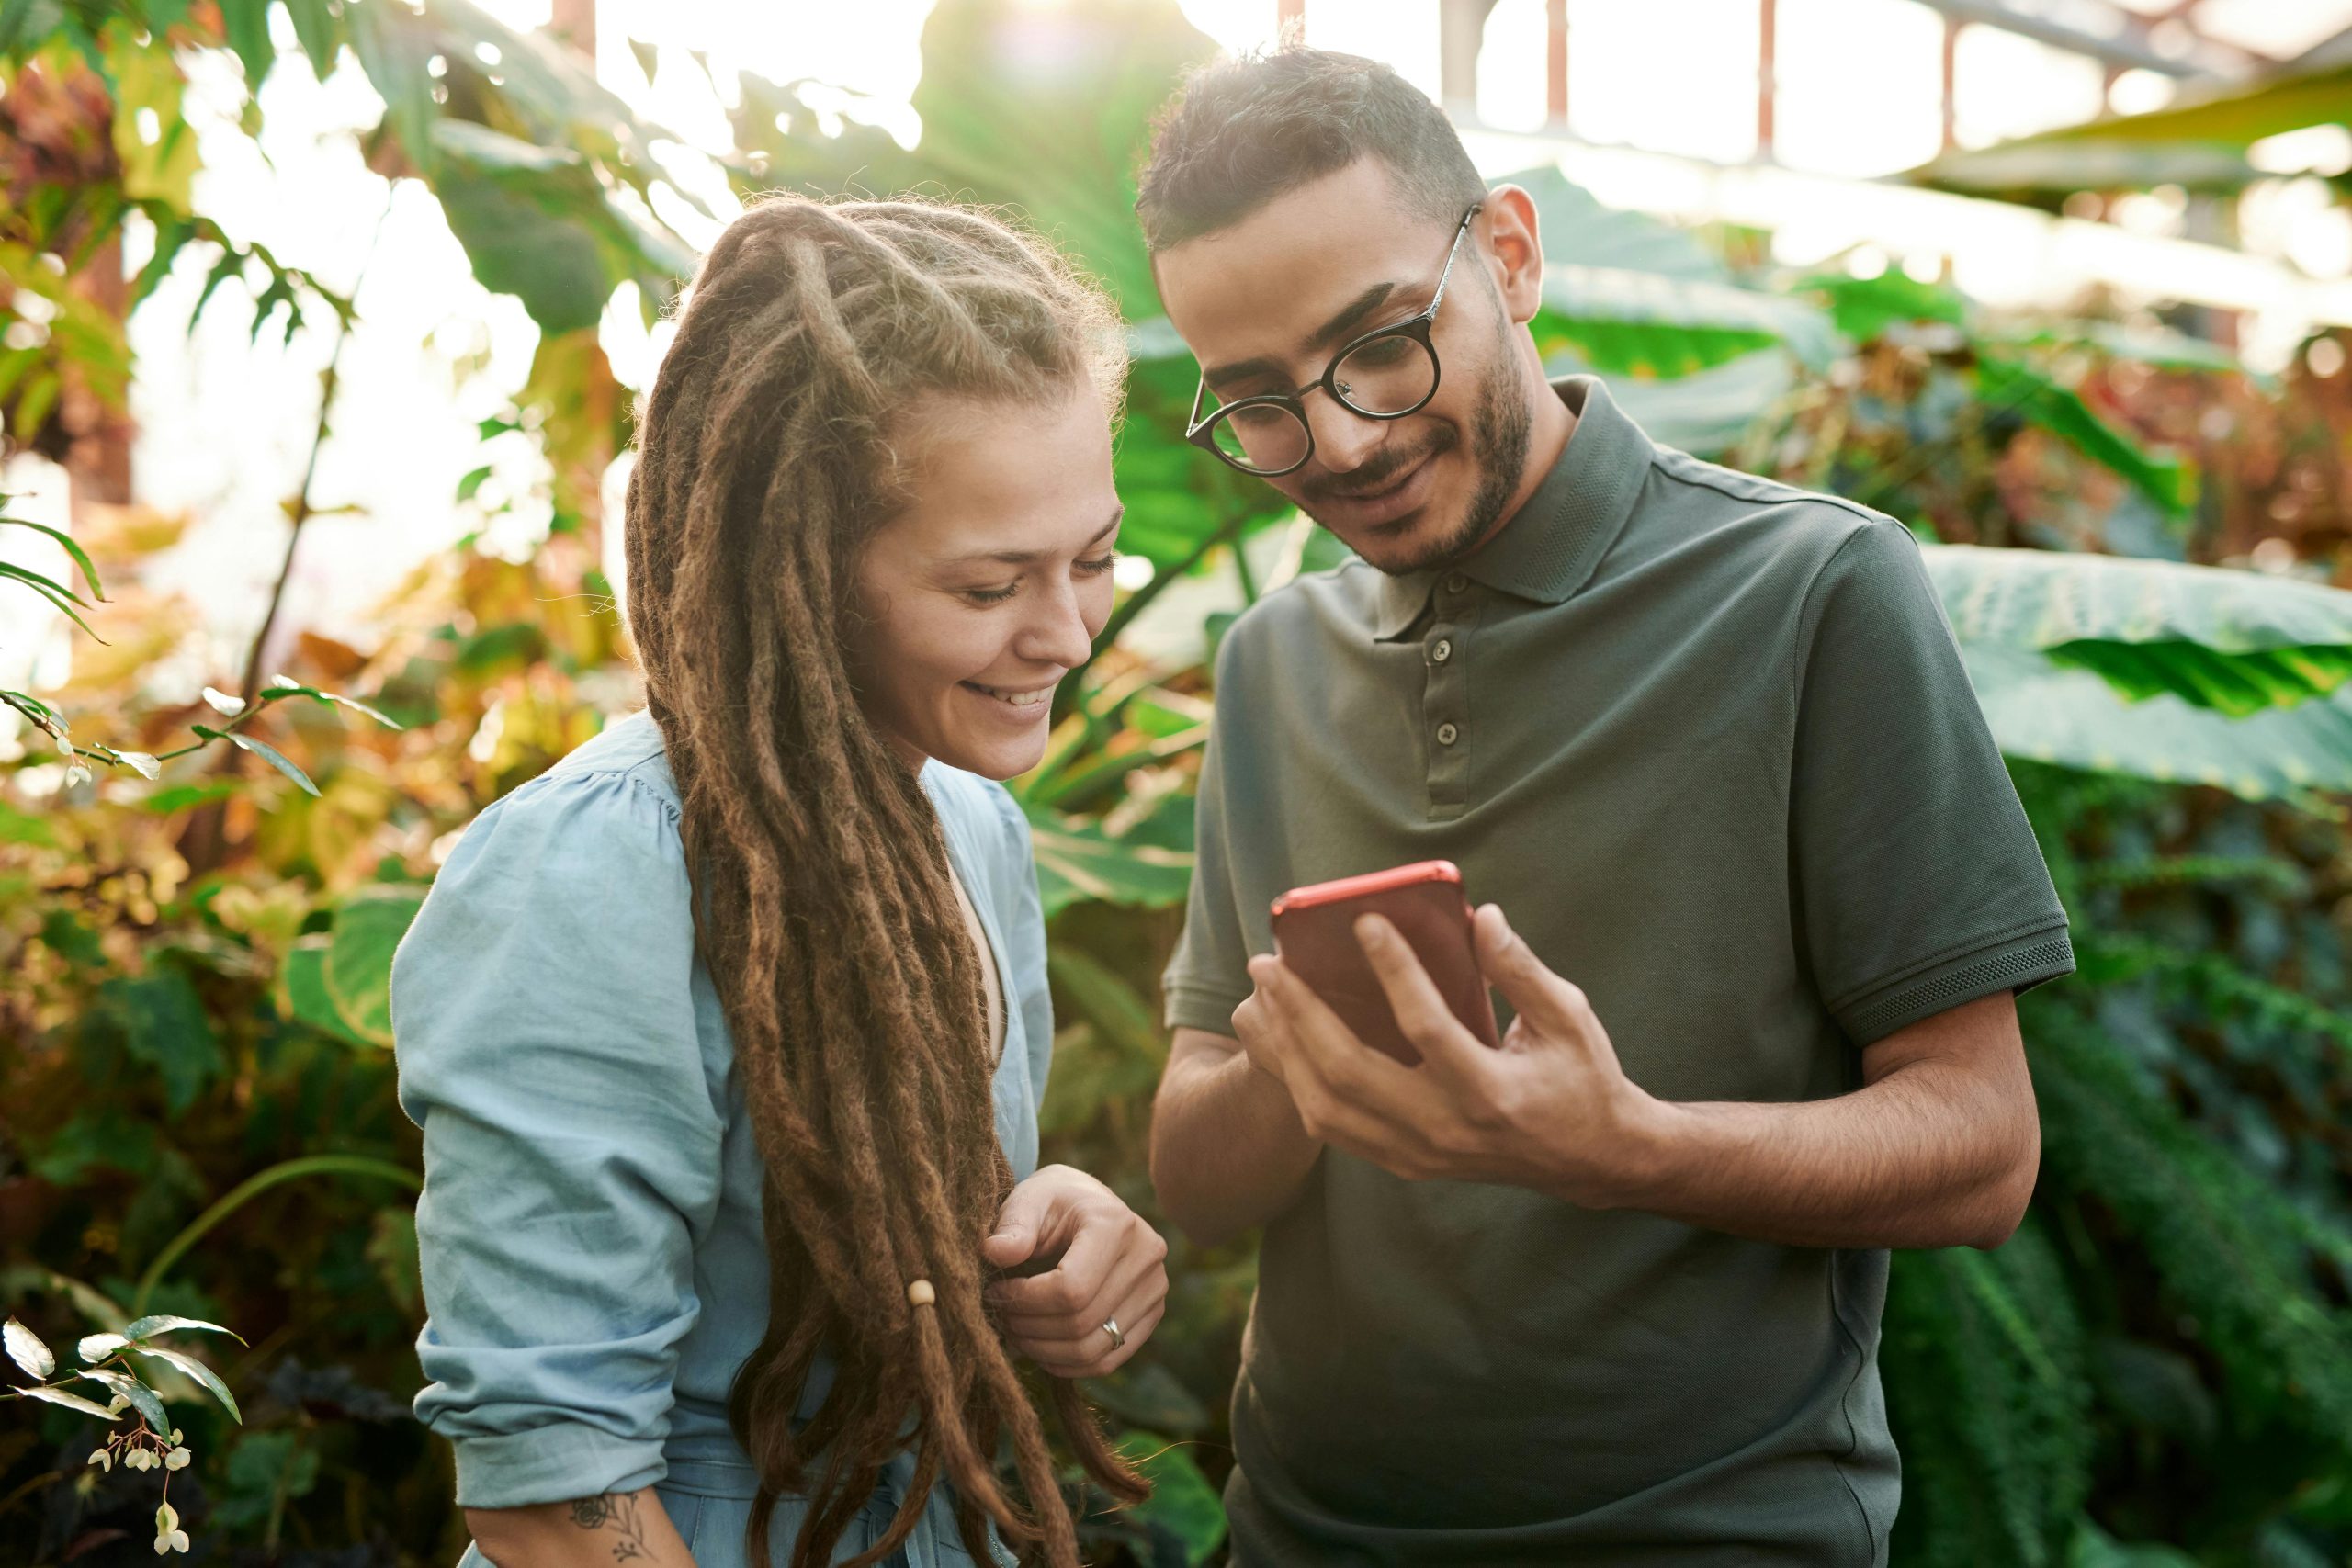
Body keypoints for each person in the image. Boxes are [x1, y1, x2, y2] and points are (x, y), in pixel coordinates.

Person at [1140, 48, 2072, 1567]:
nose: (1345, 441)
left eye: (1380, 344)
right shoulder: (1269, 665)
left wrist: (1617, 1144)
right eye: (1259, 401)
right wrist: (1303, 1073)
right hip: (1300, 1537)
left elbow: (1981, 1149)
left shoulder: (1817, 591)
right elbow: (1197, 1173)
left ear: (1506, 255)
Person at [390, 195, 1170, 1568]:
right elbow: (549, 1496)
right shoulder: (599, 870)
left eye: (1094, 559)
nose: (1067, 634)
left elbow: (889, 1237)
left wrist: (1059, 1244)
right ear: (800, 568)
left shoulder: (966, 819)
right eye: (992, 585)